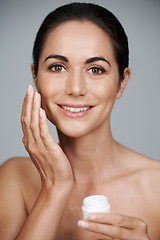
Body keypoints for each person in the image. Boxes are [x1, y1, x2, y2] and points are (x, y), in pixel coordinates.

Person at [0, 2, 159, 240]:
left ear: (121, 82)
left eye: (96, 69)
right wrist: (55, 189)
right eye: (57, 67)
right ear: (35, 76)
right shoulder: (13, 178)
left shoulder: (156, 188)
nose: (76, 89)